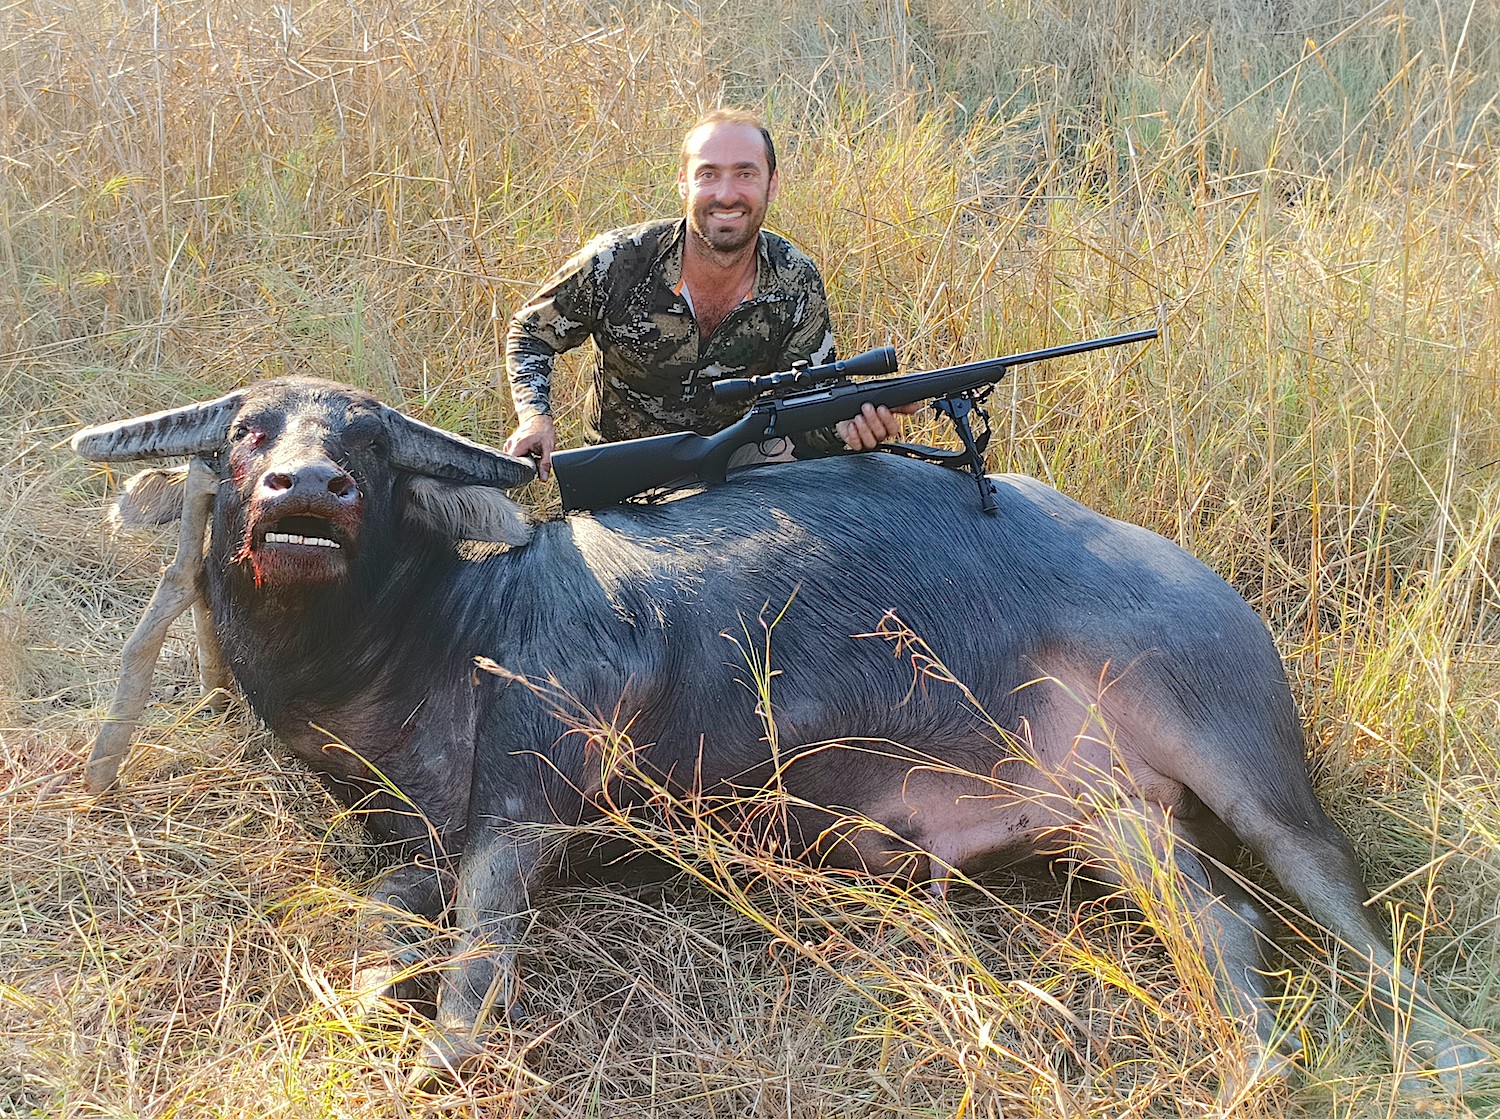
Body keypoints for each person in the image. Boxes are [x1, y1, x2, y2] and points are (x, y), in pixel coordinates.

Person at [502, 108, 911, 481]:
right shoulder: (617, 260)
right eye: (708, 174)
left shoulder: (795, 279)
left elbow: (802, 411)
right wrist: (535, 416)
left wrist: (847, 431)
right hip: (619, 476)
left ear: (772, 185)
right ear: (684, 183)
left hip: (737, 474)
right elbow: (530, 333)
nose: (727, 194)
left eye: (746, 174)